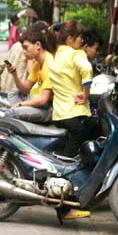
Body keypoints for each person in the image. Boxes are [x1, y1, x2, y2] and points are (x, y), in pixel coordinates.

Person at [47, 20, 96, 159]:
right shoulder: (76, 54)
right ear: (70, 39)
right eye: (80, 37)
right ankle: (65, 165)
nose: (82, 40)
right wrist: (85, 95)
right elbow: (86, 69)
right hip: (74, 113)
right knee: (91, 129)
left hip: (58, 115)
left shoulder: (51, 55)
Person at [6, 26, 53, 123]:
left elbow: (44, 100)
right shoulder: (37, 64)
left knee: (11, 113)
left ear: (38, 45)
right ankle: (18, 111)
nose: (23, 51)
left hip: (49, 109)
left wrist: (20, 105)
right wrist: (14, 74)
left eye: (26, 47)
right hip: (40, 103)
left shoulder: (49, 64)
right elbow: (25, 88)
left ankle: (16, 112)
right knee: (14, 93)